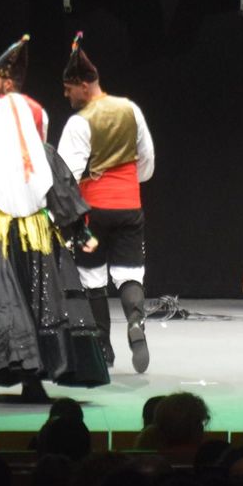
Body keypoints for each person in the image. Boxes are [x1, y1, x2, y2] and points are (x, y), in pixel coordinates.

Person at [0, 40, 108, 402]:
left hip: (6, 239)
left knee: (12, 304)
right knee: (43, 304)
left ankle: (29, 379)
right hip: (39, 237)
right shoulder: (44, 153)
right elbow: (60, 189)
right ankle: (36, 378)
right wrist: (80, 231)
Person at [57, 33, 155, 372]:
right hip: (129, 206)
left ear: (84, 85)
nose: (66, 94)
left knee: (92, 278)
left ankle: (103, 347)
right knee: (130, 275)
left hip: (93, 212)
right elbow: (147, 162)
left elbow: (67, 174)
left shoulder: (79, 122)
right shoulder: (131, 109)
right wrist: (126, 181)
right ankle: (136, 322)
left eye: (69, 88)